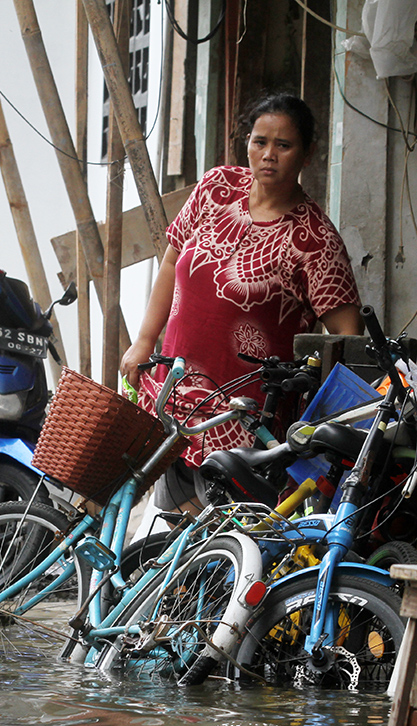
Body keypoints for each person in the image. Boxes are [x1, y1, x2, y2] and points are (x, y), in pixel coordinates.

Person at [120, 91, 363, 511]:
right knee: (171, 541)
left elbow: (348, 336)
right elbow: (171, 260)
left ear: (307, 155)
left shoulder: (315, 239)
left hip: (242, 420)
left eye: (283, 145)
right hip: (174, 395)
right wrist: (144, 340)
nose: (268, 155)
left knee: (224, 548)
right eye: (259, 142)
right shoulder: (216, 188)